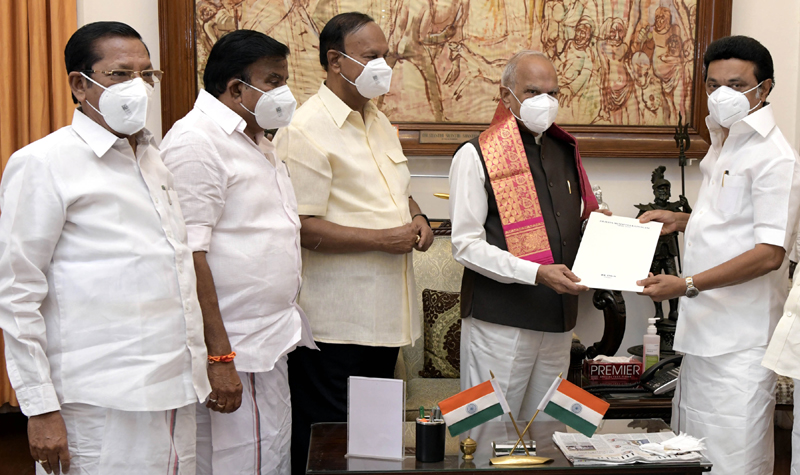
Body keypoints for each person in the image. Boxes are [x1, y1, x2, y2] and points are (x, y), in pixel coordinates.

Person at [0, 22, 211, 475]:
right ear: (80, 84)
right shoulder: (42, 163)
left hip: (175, 390)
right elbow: (17, 295)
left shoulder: (153, 158)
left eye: (146, 74)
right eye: (120, 74)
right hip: (99, 403)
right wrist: (39, 408)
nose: (137, 86)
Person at [274, 12, 434, 475]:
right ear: (335, 61)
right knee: (326, 442)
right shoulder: (304, 128)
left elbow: (392, 187)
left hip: (383, 318)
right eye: (371, 57)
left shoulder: (379, 120)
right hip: (334, 325)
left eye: (385, 56)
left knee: (368, 444)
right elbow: (302, 224)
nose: (382, 65)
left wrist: (416, 215)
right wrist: (383, 239)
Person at [638, 35, 800, 475]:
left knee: (734, 459)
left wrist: (686, 284)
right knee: (693, 452)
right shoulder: (724, 142)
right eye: (713, 85)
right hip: (704, 335)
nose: (722, 95)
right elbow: (735, 223)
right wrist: (682, 221)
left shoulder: (774, 157)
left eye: (736, 84)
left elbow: (769, 253)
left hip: (741, 342)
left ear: (764, 89)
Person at [160, 30, 316, 475]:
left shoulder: (256, 139)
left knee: (269, 458)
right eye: (273, 82)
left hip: (267, 343)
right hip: (233, 348)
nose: (284, 93)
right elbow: (190, 256)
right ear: (234, 88)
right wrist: (219, 356)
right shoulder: (197, 142)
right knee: (235, 464)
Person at [449, 50, 600, 421]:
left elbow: (567, 227)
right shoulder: (476, 153)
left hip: (559, 320)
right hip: (499, 320)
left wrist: (603, 234)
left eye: (553, 93)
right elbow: (465, 246)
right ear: (506, 96)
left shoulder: (565, 150)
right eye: (533, 92)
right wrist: (536, 273)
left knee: (553, 429)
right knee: (484, 428)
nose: (545, 102)